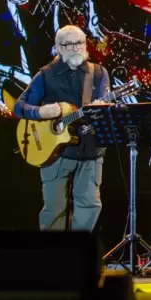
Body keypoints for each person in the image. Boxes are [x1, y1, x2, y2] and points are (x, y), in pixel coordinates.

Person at [14, 25, 111, 231]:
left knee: (89, 205)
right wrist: (40, 113)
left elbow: (105, 109)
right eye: (70, 44)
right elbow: (18, 107)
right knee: (54, 209)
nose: (77, 48)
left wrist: (102, 109)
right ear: (59, 48)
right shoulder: (46, 74)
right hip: (55, 153)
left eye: (81, 43)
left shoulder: (98, 73)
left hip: (90, 149)